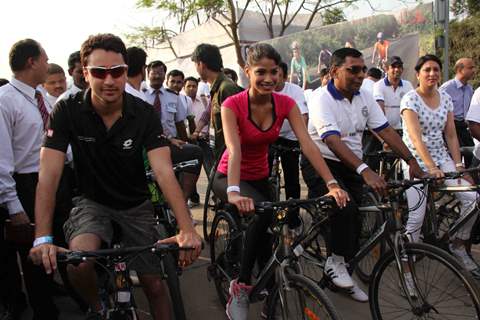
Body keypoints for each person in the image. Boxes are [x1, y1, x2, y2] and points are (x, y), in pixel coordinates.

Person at [28, 33, 202, 320]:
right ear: (85, 73)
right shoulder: (66, 110)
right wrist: (42, 238)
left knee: (155, 286)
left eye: (117, 72)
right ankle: (97, 306)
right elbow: (49, 175)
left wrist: (186, 229)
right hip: (91, 203)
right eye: (99, 72)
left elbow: (162, 171)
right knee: (78, 263)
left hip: (136, 204)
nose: (109, 81)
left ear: (125, 72)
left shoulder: (144, 113)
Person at [213, 43, 349, 320]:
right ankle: (239, 286)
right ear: (247, 71)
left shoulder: (286, 103)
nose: (268, 78)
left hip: (261, 177)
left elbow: (308, 144)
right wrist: (235, 192)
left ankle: (271, 295)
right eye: (260, 72)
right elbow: (234, 149)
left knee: (271, 233)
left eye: (274, 72)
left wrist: (332, 183)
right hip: (230, 177)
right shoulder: (232, 104)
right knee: (265, 213)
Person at [303, 48, 424, 301]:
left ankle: (343, 271)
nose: (360, 75)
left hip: (352, 163)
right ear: (335, 71)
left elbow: (386, 131)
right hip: (322, 163)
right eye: (353, 70)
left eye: (363, 70)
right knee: (343, 208)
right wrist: (365, 170)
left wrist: (412, 160)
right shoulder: (320, 98)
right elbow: (333, 141)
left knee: (357, 222)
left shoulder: (365, 96)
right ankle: (333, 262)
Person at [0, 38, 65, 320]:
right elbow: (1, 160)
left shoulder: (40, 98)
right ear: (31, 62)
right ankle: (43, 311)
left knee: (53, 241)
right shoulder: (5, 101)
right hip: (24, 185)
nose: (48, 64)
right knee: (34, 253)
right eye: (45, 59)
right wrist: (14, 207)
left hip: (49, 178)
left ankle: (50, 291)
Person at [401, 54, 480, 278]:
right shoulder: (410, 99)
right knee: (416, 217)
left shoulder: (445, 98)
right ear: (418, 74)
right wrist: (430, 168)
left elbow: (452, 135)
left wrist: (457, 164)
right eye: (427, 70)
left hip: (442, 157)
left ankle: (456, 243)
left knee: (473, 200)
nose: (432, 74)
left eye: (436, 69)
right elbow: (416, 138)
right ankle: (407, 266)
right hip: (416, 161)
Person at [145, 61, 203, 204]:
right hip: (146, 146)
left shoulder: (173, 96)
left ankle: (182, 202)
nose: (157, 76)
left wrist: (185, 141)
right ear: (148, 74)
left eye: (160, 72)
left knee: (194, 153)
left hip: (169, 143)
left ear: (165, 75)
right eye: (154, 72)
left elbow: (179, 123)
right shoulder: (140, 94)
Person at [190, 43, 243, 165]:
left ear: (201, 64)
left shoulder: (226, 88)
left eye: (195, 65)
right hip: (221, 154)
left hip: (229, 157)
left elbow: (237, 126)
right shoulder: (217, 88)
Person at [271, 61, 308, 208]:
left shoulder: (295, 90)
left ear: (285, 77)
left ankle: (293, 218)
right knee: (264, 176)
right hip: (269, 138)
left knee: (292, 178)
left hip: (291, 138)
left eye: (277, 75)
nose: (273, 78)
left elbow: (304, 115)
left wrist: (303, 140)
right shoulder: (265, 89)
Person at [440, 58, 476, 152]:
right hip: (449, 127)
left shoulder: (469, 89)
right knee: (456, 154)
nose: (473, 71)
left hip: (463, 127)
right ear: (460, 70)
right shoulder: (447, 88)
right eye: (470, 68)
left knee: (472, 153)